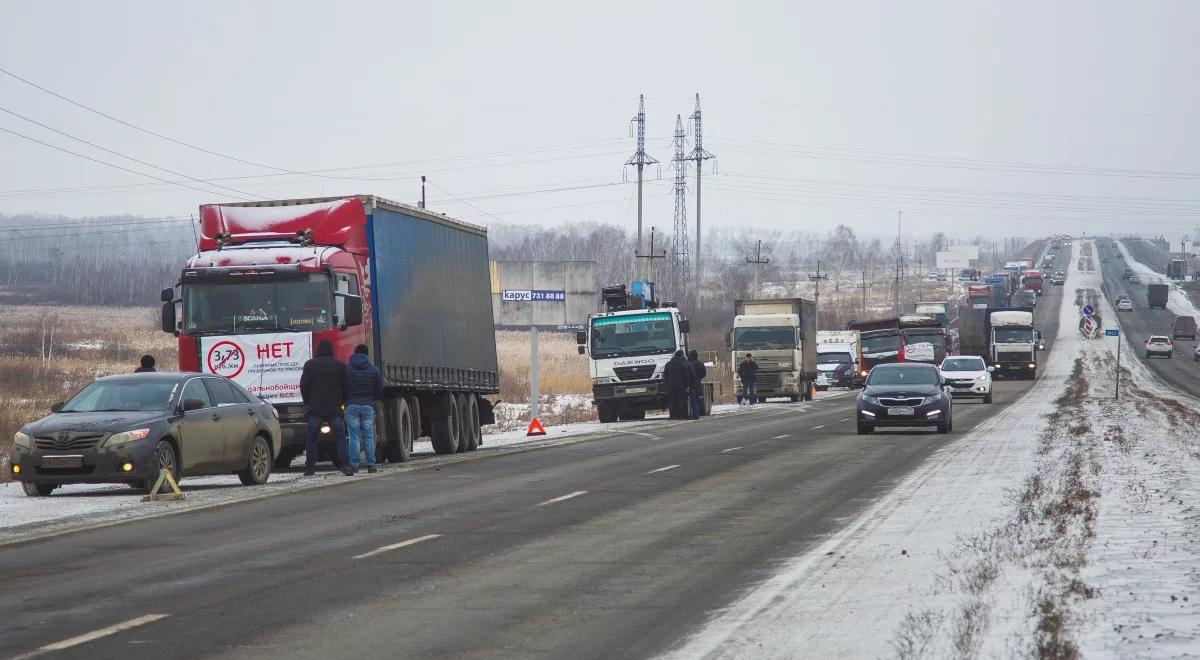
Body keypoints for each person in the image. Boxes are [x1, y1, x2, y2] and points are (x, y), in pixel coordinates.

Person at [300, 339, 350, 476]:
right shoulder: (340, 366)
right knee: (340, 436)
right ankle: (345, 465)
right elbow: (346, 386)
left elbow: (304, 385)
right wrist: (342, 401)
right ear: (331, 351)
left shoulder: (310, 365)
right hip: (335, 407)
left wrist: (307, 402)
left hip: (315, 408)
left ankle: (310, 468)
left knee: (312, 438)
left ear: (318, 351)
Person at [345, 344, 383, 474]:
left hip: (351, 405)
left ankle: (354, 464)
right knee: (368, 436)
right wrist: (372, 399)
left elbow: (343, 387)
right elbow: (379, 389)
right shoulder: (374, 370)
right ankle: (371, 465)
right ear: (367, 355)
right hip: (368, 405)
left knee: (354, 436)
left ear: (355, 353)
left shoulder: (347, 369)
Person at [662, 350, 693, 420]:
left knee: (672, 401)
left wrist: (666, 386)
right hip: (680, 386)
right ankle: (680, 415)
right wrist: (687, 385)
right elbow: (686, 376)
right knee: (680, 400)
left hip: (670, 386)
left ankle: (672, 415)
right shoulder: (683, 364)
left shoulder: (668, 364)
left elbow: (665, 376)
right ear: (681, 356)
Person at [687, 350, 707, 420]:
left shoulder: (689, 364)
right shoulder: (700, 363)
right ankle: (697, 413)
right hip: (698, 383)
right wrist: (699, 378)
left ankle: (695, 414)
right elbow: (704, 373)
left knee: (693, 399)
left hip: (691, 384)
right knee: (697, 399)